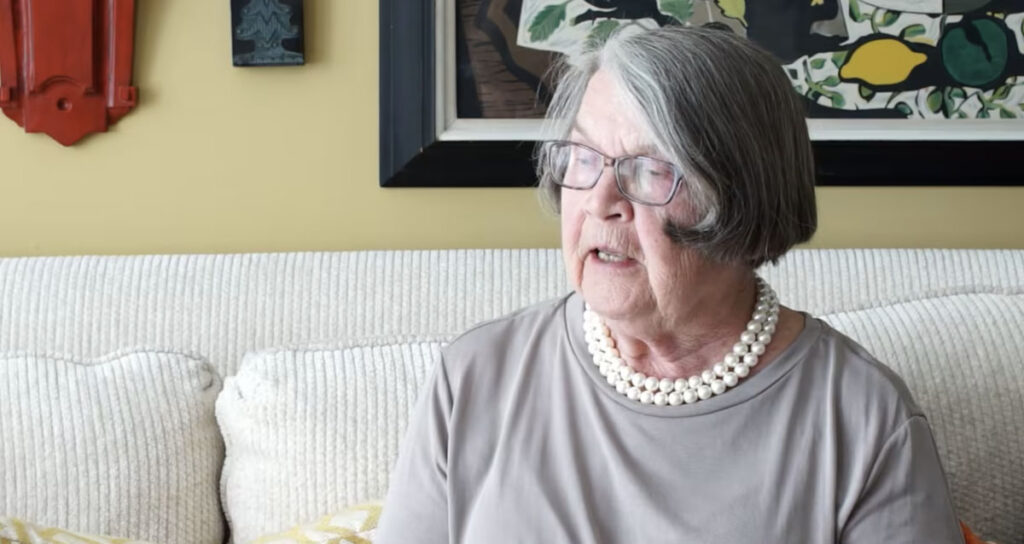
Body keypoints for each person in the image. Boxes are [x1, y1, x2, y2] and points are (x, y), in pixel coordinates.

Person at [376, 26, 963, 543]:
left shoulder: (862, 418)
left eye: (652, 168)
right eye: (583, 156)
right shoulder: (475, 377)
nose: (601, 202)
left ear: (742, 195)